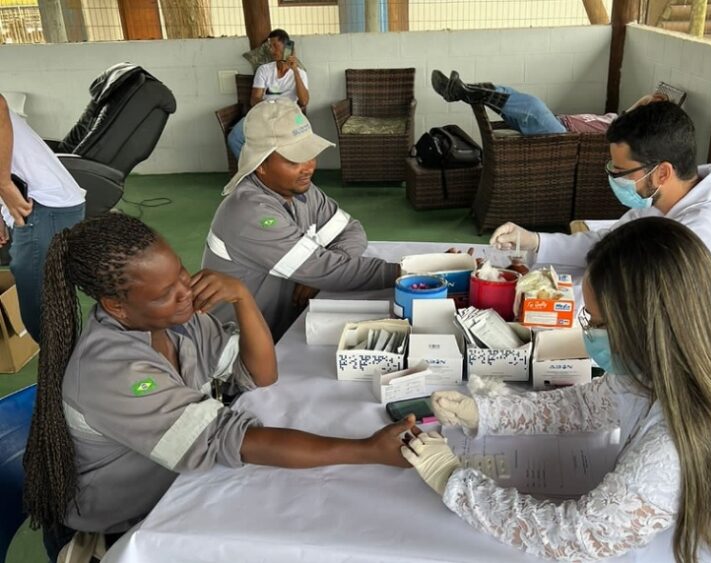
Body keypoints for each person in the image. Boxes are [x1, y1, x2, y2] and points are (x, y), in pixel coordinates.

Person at [22, 213, 414, 562]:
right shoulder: (112, 370)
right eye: (164, 293)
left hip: (174, 490)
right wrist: (365, 450)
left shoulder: (177, 320)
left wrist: (242, 297)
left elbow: (259, 375)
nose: (185, 293)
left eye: (180, 274)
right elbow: (226, 438)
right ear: (116, 306)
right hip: (120, 528)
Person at [402, 217, 711, 562]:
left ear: (648, 327)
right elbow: (586, 404)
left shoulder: (676, 445)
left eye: (598, 322)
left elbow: (574, 536)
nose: (588, 332)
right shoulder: (671, 370)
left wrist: (455, 482)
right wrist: (485, 413)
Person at [489, 100, 711, 334]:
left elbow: (632, 295)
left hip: (696, 362)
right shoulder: (661, 201)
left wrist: (542, 301)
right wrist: (535, 241)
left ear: (662, 173)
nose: (614, 179)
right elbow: (606, 247)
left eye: (622, 171)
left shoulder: (706, 229)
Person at [203, 99, 402, 341]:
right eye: (293, 160)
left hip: (287, 325)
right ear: (261, 165)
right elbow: (330, 271)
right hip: (238, 348)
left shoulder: (302, 191)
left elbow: (351, 230)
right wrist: (406, 273)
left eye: (309, 154)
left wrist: (320, 272)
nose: (308, 167)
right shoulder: (249, 212)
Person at [0, 94, 86, 342]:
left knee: (40, 309)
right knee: (49, 302)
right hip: (30, 204)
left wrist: (4, 185)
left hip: (43, 206)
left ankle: (67, 372)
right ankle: (65, 371)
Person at [431, 69, 667, 135]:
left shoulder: (627, 130)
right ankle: (462, 91)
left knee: (532, 104)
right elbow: (636, 107)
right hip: (557, 122)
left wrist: (658, 110)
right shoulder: (621, 118)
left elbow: (641, 122)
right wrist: (648, 98)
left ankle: (464, 92)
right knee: (510, 93)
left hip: (562, 134)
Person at [227, 28, 309, 159]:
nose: (271, 50)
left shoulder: (300, 73)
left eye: (275, 46)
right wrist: (271, 108)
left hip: (290, 113)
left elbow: (304, 101)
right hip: (263, 113)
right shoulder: (263, 70)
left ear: (287, 47)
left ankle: (286, 173)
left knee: (305, 132)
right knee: (234, 138)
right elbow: (254, 99)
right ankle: (253, 172)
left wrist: (295, 72)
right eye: (270, 46)